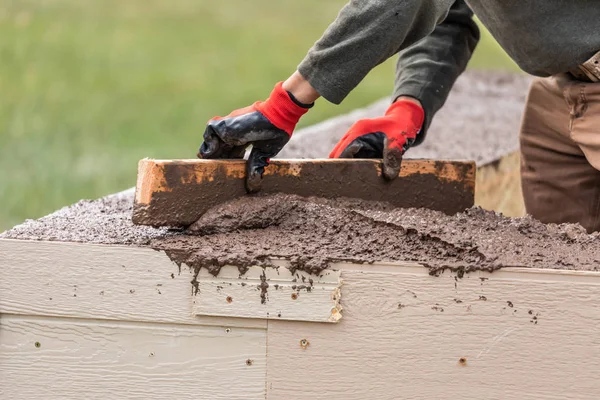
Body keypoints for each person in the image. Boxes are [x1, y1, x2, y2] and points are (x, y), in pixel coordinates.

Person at [198, 0, 600, 233]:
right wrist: (410, 105)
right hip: (567, 86)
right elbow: (449, 15)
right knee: (563, 278)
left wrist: (286, 105)